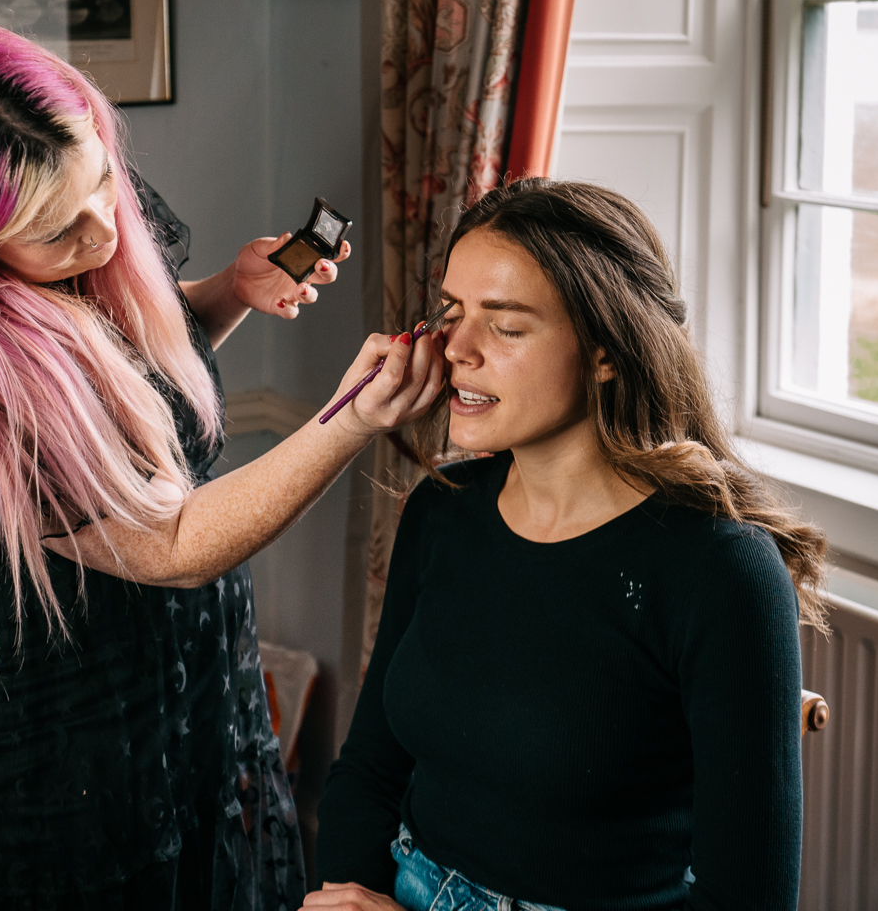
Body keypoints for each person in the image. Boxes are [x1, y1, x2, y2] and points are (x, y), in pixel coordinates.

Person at [0, 22, 447, 909]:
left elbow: (115, 363)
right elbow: (175, 542)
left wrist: (228, 291)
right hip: (55, 759)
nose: (106, 231)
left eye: (104, 184)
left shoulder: (73, 221)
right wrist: (352, 420)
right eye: (56, 230)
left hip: (168, 696)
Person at [309, 179, 827, 911]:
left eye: (506, 326)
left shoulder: (720, 573)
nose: (456, 348)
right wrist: (346, 887)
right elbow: (371, 767)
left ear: (607, 352)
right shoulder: (441, 512)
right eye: (451, 313)